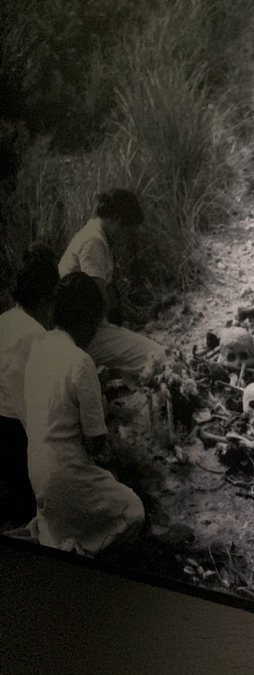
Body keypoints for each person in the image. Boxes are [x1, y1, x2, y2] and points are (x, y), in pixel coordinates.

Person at [22, 272, 145, 556]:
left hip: (36, 471)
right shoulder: (80, 361)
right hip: (64, 474)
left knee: (93, 490)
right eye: (95, 324)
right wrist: (102, 408)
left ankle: (56, 530)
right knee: (133, 510)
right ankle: (79, 548)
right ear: (85, 320)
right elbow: (95, 443)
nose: (94, 333)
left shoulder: (37, 349)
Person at [58, 188, 167, 377]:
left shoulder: (95, 235)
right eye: (126, 230)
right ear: (116, 219)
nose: (125, 237)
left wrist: (118, 297)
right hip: (81, 335)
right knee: (158, 357)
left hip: (81, 329)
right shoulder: (94, 242)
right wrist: (115, 296)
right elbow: (97, 305)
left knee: (147, 353)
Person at [0, 243, 59, 526]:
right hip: (11, 433)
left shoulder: (5, 319)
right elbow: (28, 406)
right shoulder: (35, 335)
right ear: (48, 298)